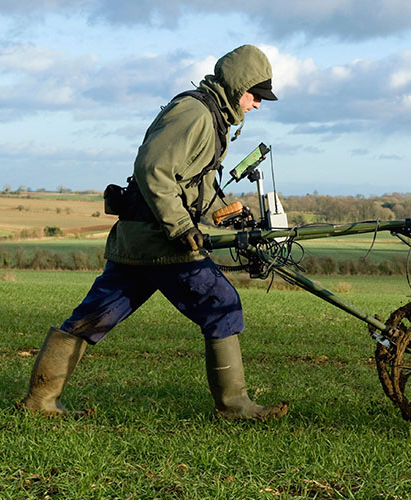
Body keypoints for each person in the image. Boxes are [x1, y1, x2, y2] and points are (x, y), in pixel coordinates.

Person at [17, 45, 287, 420]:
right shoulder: (194, 112)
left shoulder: (213, 117)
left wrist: (222, 212)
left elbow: (193, 181)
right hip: (161, 240)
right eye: (254, 95)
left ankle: (40, 401)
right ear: (236, 84)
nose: (257, 104)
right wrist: (181, 226)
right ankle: (234, 406)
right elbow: (152, 169)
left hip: (139, 239)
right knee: (221, 304)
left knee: (93, 317)